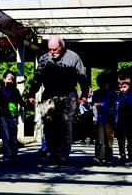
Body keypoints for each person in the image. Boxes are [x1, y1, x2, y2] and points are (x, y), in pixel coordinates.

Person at [27, 35, 89, 165]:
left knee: (65, 126)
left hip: (67, 95)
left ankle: (63, 155)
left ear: (62, 46)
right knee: (49, 126)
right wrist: (31, 93)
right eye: (50, 49)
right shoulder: (44, 59)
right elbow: (37, 78)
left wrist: (84, 95)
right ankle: (53, 154)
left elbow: (82, 78)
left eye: (54, 49)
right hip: (49, 95)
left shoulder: (74, 58)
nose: (52, 52)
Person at [0, 70, 26, 163]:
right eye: (8, 78)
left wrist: (27, 102)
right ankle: (7, 154)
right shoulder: (0, 91)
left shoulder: (15, 91)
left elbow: (21, 103)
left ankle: (13, 154)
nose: (10, 80)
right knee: (5, 137)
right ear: (4, 79)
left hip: (13, 116)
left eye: (12, 79)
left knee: (13, 137)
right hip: (3, 116)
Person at [92, 72, 119, 165]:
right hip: (98, 120)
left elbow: (115, 109)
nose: (103, 86)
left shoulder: (113, 95)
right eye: (101, 84)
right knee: (99, 140)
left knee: (109, 140)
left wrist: (102, 106)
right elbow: (92, 106)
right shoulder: (96, 94)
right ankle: (99, 157)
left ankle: (109, 156)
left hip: (109, 120)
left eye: (105, 84)